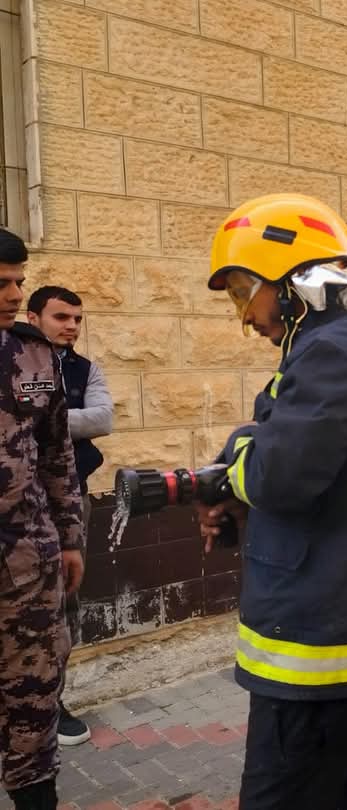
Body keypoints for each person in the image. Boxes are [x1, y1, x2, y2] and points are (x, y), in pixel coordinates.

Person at [193, 194, 347, 810]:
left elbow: (277, 477)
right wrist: (250, 452)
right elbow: (296, 444)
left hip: (318, 648)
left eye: (245, 291)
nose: (246, 317)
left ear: (292, 284)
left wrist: (232, 463)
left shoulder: (334, 352)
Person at [0, 228, 84, 810]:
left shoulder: (32, 353)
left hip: (27, 562)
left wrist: (71, 537)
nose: (14, 294)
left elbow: (57, 452)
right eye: (2, 283)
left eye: (18, 282)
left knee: (34, 697)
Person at [26, 286, 114, 747]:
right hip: (17, 506)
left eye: (77, 318)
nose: (72, 326)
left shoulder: (84, 368)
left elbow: (102, 419)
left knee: (64, 601)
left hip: (71, 501)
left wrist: (42, 414)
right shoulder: (13, 361)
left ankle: (51, 702)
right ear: (33, 317)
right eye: (61, 317)